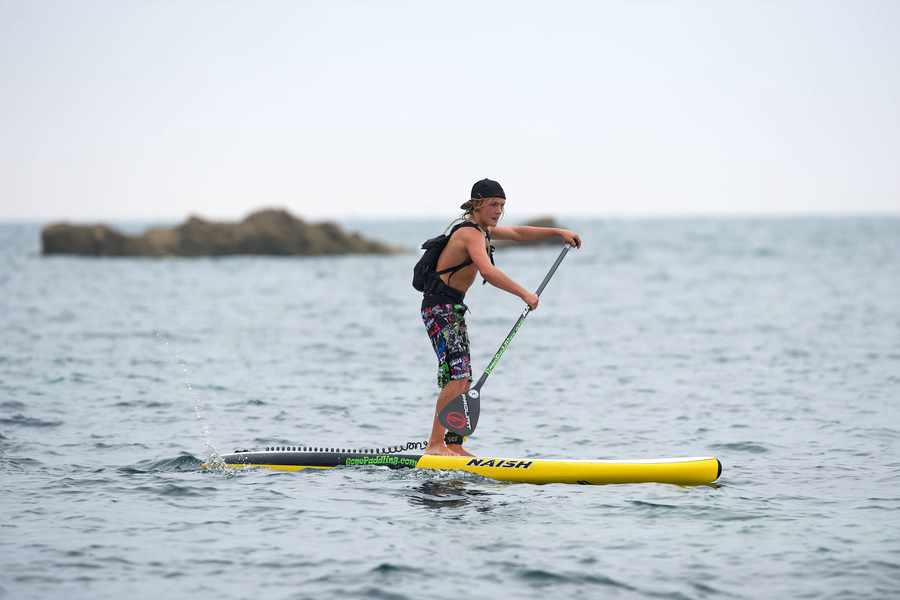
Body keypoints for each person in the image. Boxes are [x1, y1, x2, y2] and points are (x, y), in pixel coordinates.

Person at [420, 179, 582, 456]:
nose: (498, 211)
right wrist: (525, 294)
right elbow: (487, 272)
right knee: (456, 377)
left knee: (464, 378)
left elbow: (519, 233)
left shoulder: (483, 230)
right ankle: (435, 445)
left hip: (453, 309)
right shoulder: (469, 233)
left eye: (502, 206)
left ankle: (454, 445)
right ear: (477, 204)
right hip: (439, 309)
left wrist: (558, 232)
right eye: (494, 204)